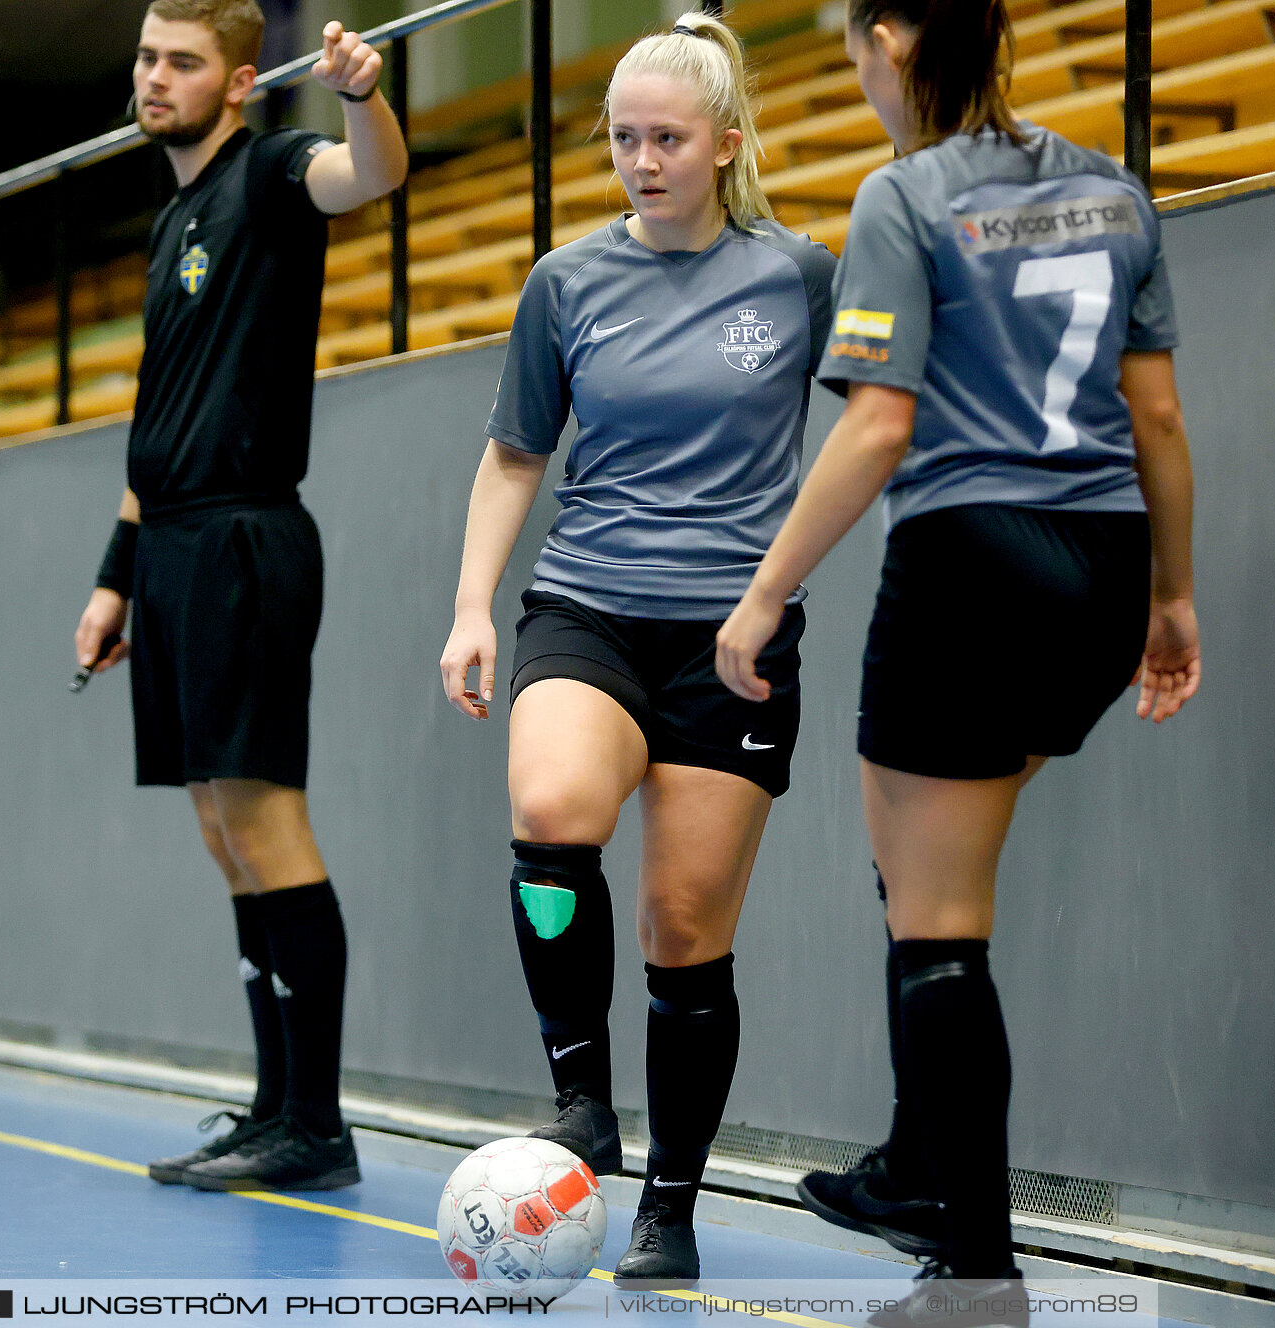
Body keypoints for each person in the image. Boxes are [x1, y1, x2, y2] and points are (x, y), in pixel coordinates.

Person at [715, 0, 1200, 1320]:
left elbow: (878, 428)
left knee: (937, 922)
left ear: (895, 42)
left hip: (971, 558)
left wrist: (763, 596)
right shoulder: (1113, 187)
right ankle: (913, 1155)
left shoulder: (904, 195)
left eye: (854, 49)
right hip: (1101, 565)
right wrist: (1172, 597)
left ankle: (973, 1261)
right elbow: (1154, 412)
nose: (859, 75)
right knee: (927, 852)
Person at [438, 12, 837, 1288]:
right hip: (590, 603)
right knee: (552, 809)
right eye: (624, 139)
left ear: (725, 146)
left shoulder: (802, 274)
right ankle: (581, 1102)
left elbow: (879, 418)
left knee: (682, 925)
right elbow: (515, 454)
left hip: (736, 632)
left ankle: (672, 1201)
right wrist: (470, 605)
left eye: (668, 138)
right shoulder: (566, 283)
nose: (643, 160)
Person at [72, 0, 406, 1193]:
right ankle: (272, 1102)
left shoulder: (267, 171)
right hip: (166, 548)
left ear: (242, 78)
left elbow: (365, 176)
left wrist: (362, 95)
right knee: (222, 830)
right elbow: (155, 415)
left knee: (265, 822)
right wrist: (115, 578)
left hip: (244, 543)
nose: (155, 77)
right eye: (148, 57)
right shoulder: (172, 216)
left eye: (183, 62)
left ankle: (317, 1123)